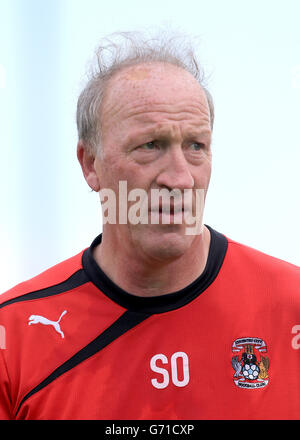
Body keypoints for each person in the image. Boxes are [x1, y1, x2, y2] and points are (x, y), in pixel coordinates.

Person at [0, 31, 299, 420]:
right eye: (150, 145)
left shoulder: (291, 307)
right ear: (91, 164)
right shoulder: (14, 337)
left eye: (196, 146)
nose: (179, 178)